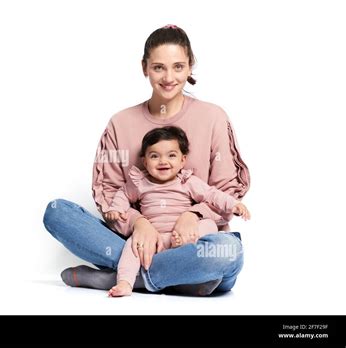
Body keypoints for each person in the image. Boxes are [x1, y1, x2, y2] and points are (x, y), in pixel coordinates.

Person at [43, 24, 250, 296]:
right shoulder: (120, 123)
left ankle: (129, 277)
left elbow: (226, 193)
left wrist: (193, 214)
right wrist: (139, 224)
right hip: (139, 242)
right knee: (57, 213)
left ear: (190, 67)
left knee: (228, 254)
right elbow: (110, 197)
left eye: (178, 67)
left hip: (196, 244)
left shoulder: (213, 118)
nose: (168, 77)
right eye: (158, 67)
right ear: (144, 68)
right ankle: (180, 279)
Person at [105, 126, 250, 297]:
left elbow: (211, 194)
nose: (163, 161)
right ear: (145, 162)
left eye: (171, 155)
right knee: (132, 245)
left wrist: (233, 204)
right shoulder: (140, 183)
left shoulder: (187, 181)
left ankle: (179, 250)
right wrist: (116, 208)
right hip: (154, 240)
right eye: (154, 156)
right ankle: (125, 282)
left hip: (184, 235)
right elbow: (123, 193)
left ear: (183, 160)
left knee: (209, 224)